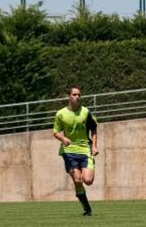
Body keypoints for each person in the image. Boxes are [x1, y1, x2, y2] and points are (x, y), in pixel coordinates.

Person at [53, 84, 98, 216]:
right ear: (69, 97)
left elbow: (94, 129)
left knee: (88, 180)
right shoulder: (60, 114)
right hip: (69, 151)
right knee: (77, 180)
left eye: (79, 95)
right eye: (74, 94)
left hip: (85, 149)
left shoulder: (86, 112)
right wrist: (62, 139)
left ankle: (90, 164)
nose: (77, 97)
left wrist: (94, 146)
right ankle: (86, 208)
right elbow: (55, 132)